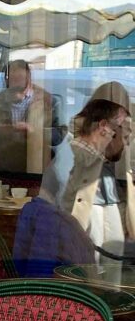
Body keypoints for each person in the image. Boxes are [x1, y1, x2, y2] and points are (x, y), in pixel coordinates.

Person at [61, 98, 130, 255]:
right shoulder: (76, 159)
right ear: (104, 127)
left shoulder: (97, 163)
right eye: (122, 130)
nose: (125, 141)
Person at [0, 59, 66, 176]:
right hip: (3, 172)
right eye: (12, 78)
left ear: (29, 77)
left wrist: (34, 131)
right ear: (6, 80)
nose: (15, 82)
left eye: (19, 78)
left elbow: (60, 134)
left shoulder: (47, 101)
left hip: (38, 172)